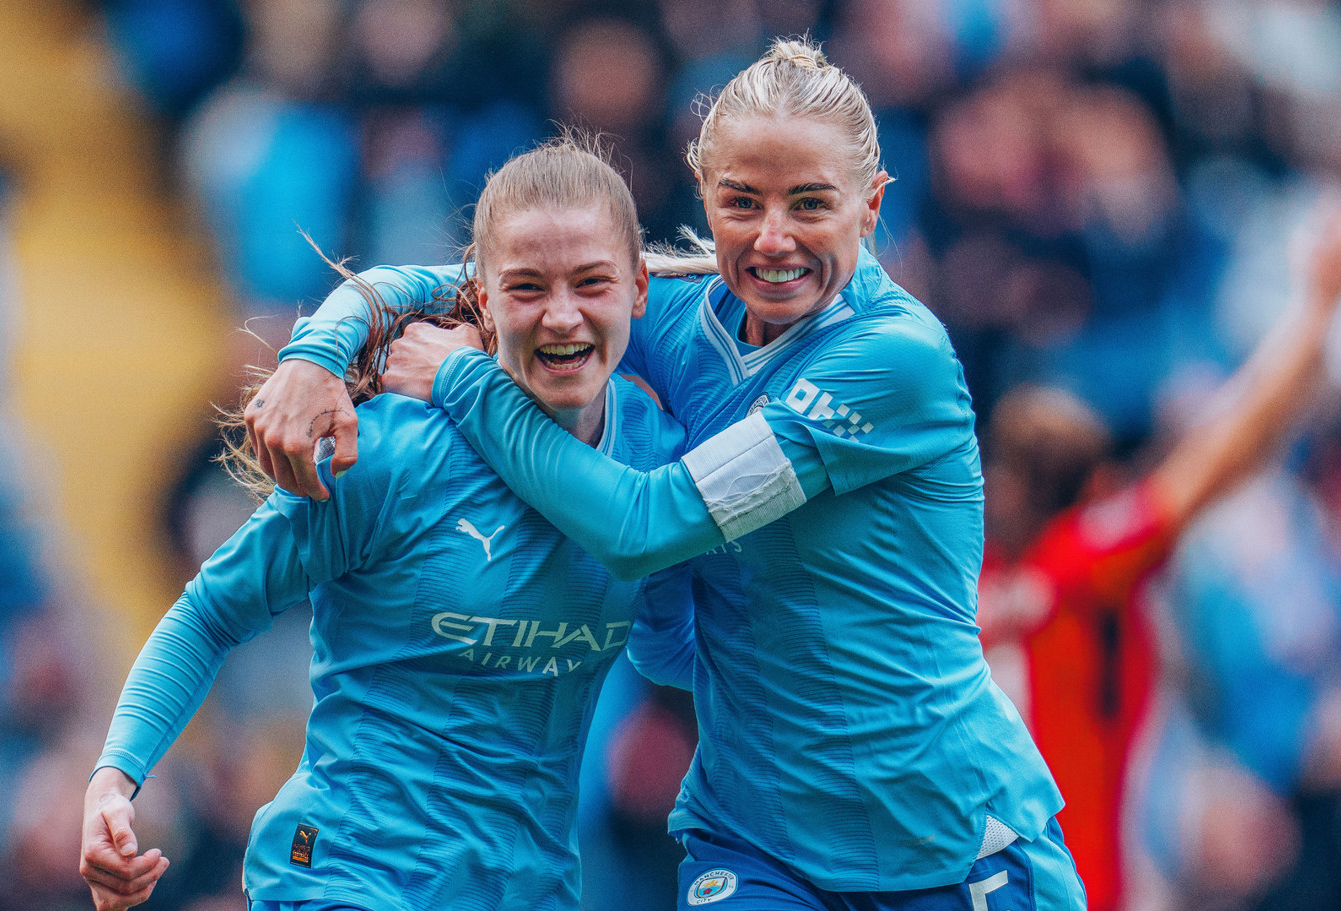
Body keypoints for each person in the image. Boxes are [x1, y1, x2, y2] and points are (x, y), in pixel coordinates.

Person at [248, 38, 1084, 910]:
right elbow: (455, 279)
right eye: (742, 201)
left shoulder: (893, 360)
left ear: (871, 205)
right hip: (761, 846)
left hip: (951, 843)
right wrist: (316, 353)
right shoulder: (677, 310)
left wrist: (467, 382)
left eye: (810, 203)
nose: (773, 237)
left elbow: (644, 526)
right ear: (703, 192)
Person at [78, 136, 698, 911]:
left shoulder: (660, 460)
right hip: (346, 874)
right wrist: (114, 779)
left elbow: (681, 647)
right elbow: (210, 612)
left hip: (528, 887)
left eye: (591, 282)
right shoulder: (387, 453)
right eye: (528, 286)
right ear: (481, 298)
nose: (562, 315)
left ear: (639, 289)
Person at [974, 217, 1341, 911]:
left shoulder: (968, 587)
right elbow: (1221, 458)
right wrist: (1317, 312)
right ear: (1097, 489)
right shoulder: (1081, 563)